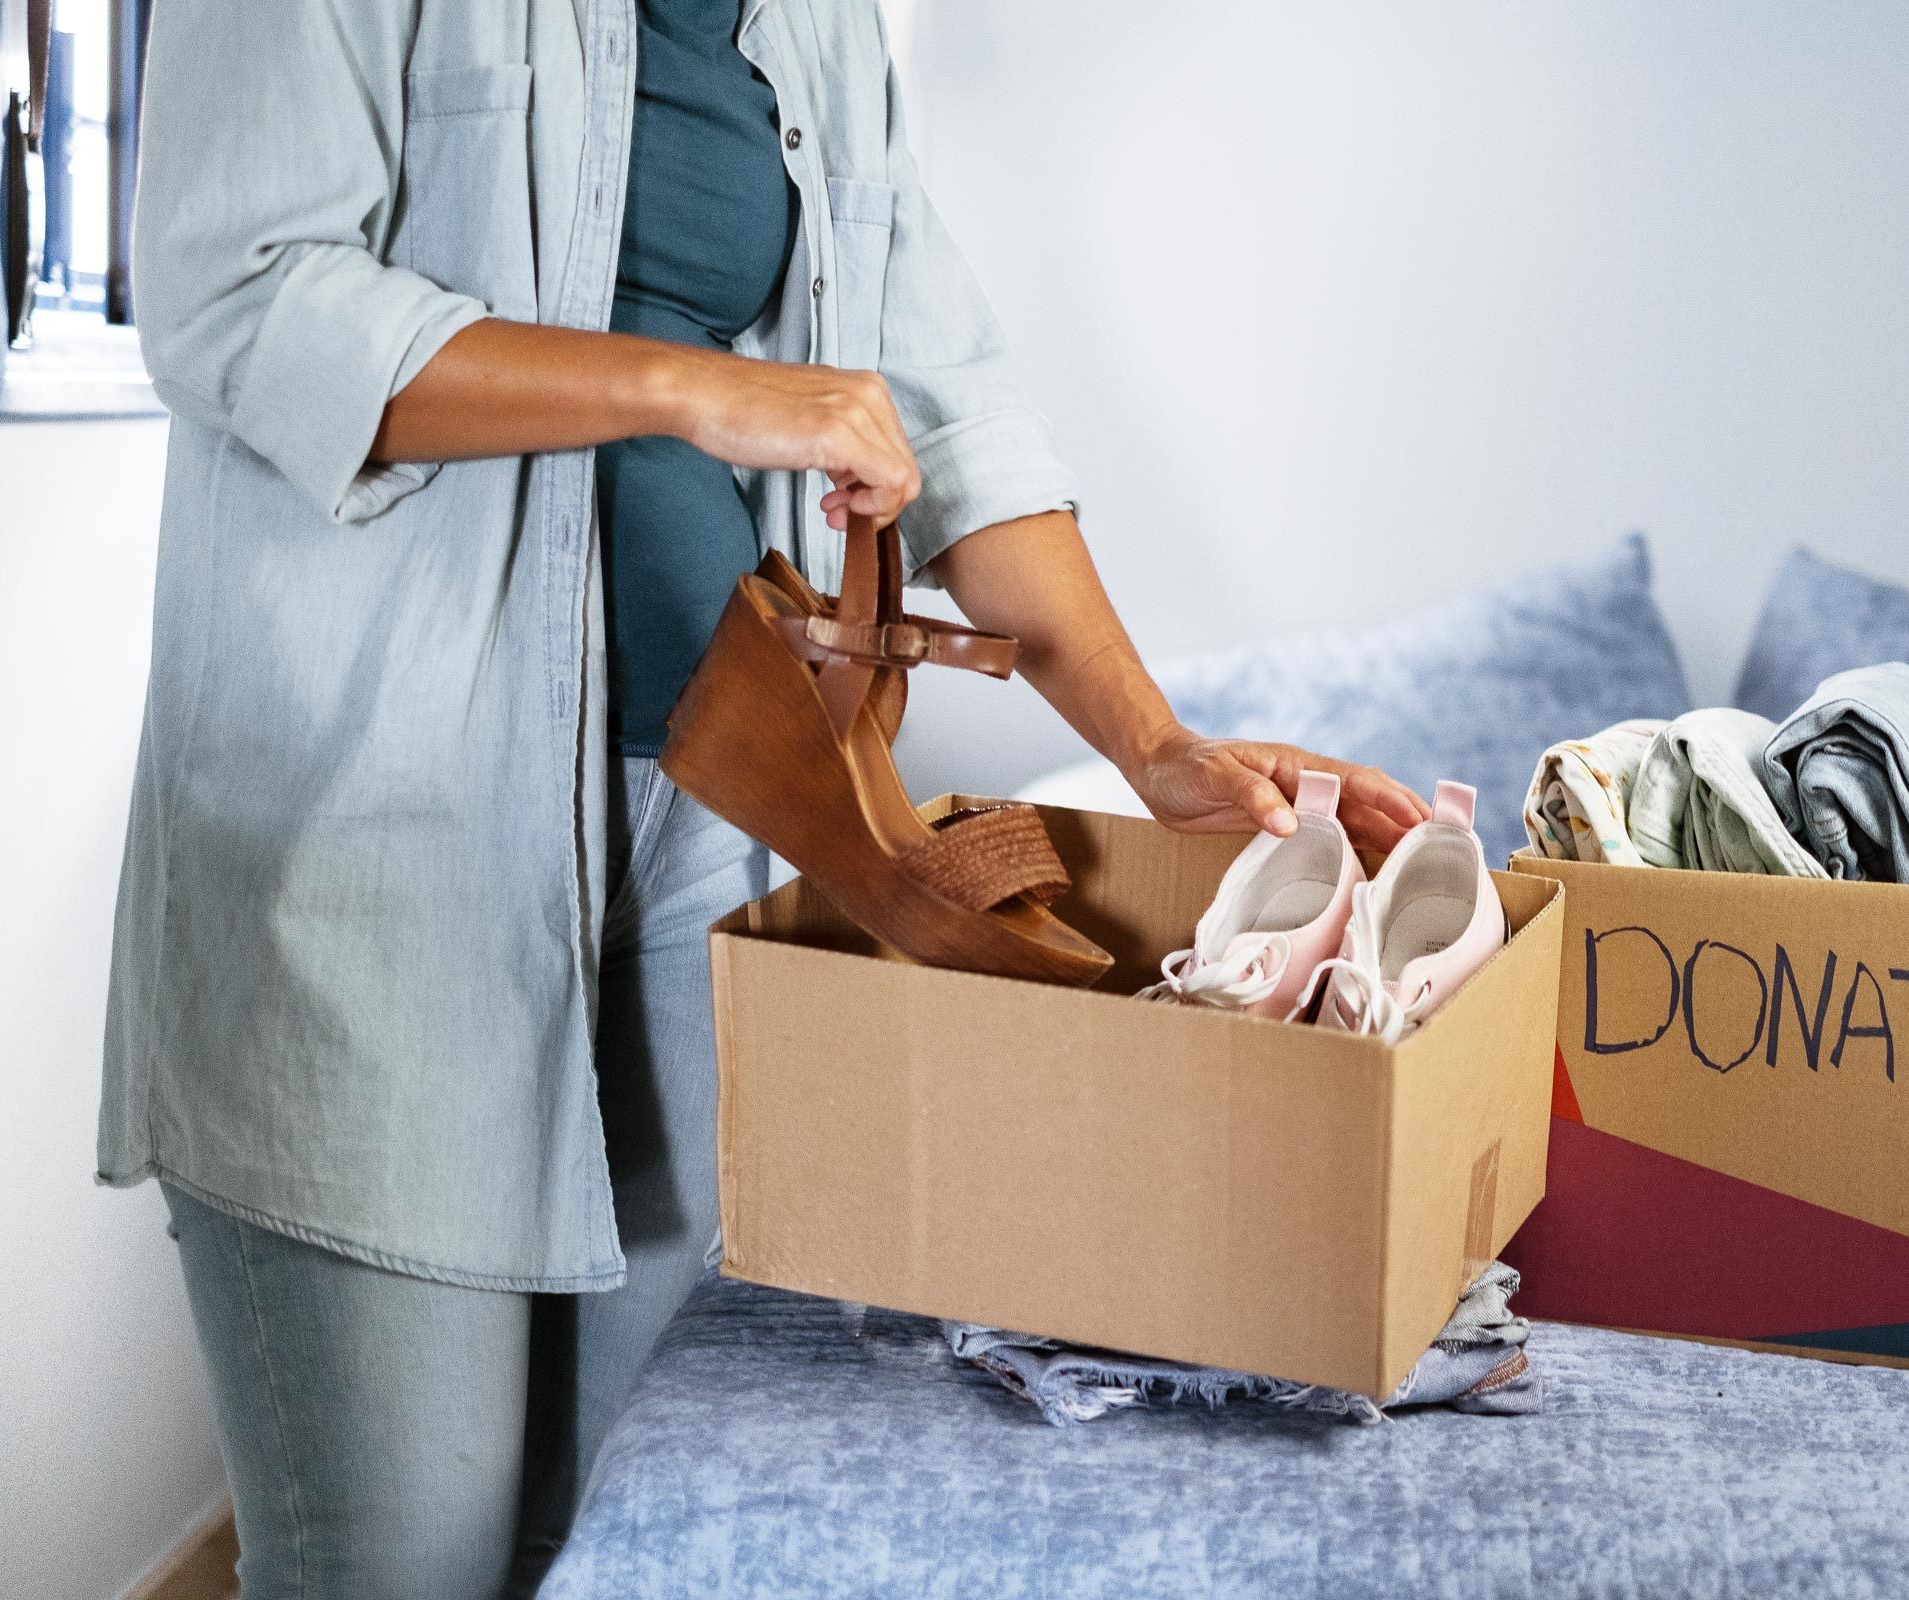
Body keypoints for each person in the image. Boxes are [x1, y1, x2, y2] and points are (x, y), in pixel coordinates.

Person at [105, 2, 1427, 1596]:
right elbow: (234, 295)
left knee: (624, 1534)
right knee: (400, 1566)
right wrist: (689, 388)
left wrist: (1154, 748)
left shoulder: (812, 25)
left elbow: (945, 410)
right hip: (381, 853)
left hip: (716, 844)